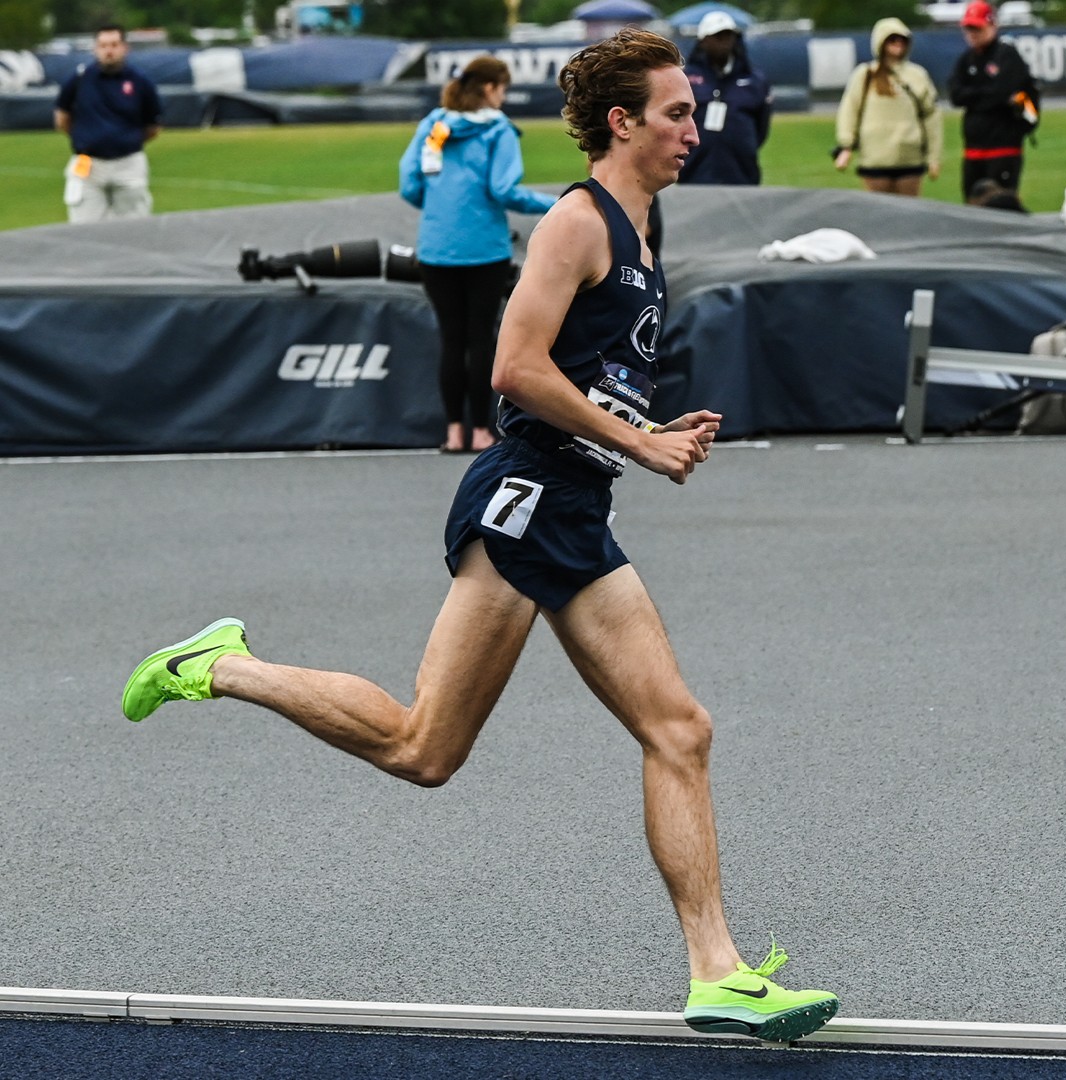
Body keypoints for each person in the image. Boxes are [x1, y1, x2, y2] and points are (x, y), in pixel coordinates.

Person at [122, 27, 839, 1044]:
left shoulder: (644, 223)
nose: (695, 125)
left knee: (677, 730)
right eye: (677, 112)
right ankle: (225, 666)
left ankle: (716, 971)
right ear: (623, 122)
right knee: (424, 748)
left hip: (573, 503)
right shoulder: (577, 225)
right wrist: (638, 440)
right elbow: (514, 367)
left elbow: (591, 370)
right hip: (530, 498)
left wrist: (650, 423)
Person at [399, 56, 556, 454]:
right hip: (484, 248)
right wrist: (555, 204)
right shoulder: (498, 130)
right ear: (489, 88)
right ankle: (483, 431)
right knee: (482, 338)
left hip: (437, 248)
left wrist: (438, 207)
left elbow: (409, 184)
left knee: (452, 339)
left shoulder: (435, 124)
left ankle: (454, 431)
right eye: (502, 89)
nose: (503, 97)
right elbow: (503, 190)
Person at [53, 24, 162, 224]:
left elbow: (152, 127)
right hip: (89, 165)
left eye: (114, 45)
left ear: (124, 48)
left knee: (134, 228)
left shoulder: (140, 81)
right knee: (84, 229)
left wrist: (124, 141)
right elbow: (62, 118)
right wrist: (86, 137)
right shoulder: (79, 79)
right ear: (95, 48)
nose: (108, 51)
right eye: (103, 45)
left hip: (128, 164)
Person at [833, 18, 942, 197]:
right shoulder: (866, 74)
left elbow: (931, 116)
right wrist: (846, 146)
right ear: (880, 42)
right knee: (878, 215)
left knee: (909, 214)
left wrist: (933, 157)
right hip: (875, 158)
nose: (898, 44)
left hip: (909, 157)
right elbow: (850, 110)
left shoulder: (917, 75)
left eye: (902, 40)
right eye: (892, 39)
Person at [947, 0, 1036, 201]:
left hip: (1003, 147)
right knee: (972, 205)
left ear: (992, 26)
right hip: (974, 148)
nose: (972, 33)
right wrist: (986, 95)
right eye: (969, 28)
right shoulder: (966, 59)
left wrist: (976, 96)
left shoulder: (1006, 55)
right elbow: (955, 95)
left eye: (977, 28)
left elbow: (1002, 91)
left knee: (1002, 203)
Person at [678, 11, 772, 186]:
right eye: (717, 36)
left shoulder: (754, 79)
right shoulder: (685, 78)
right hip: (694, 171)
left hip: (741, 171)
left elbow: (762, 126)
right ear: (703, 41)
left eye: (728, 35)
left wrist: (743, 144)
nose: (724, 42)